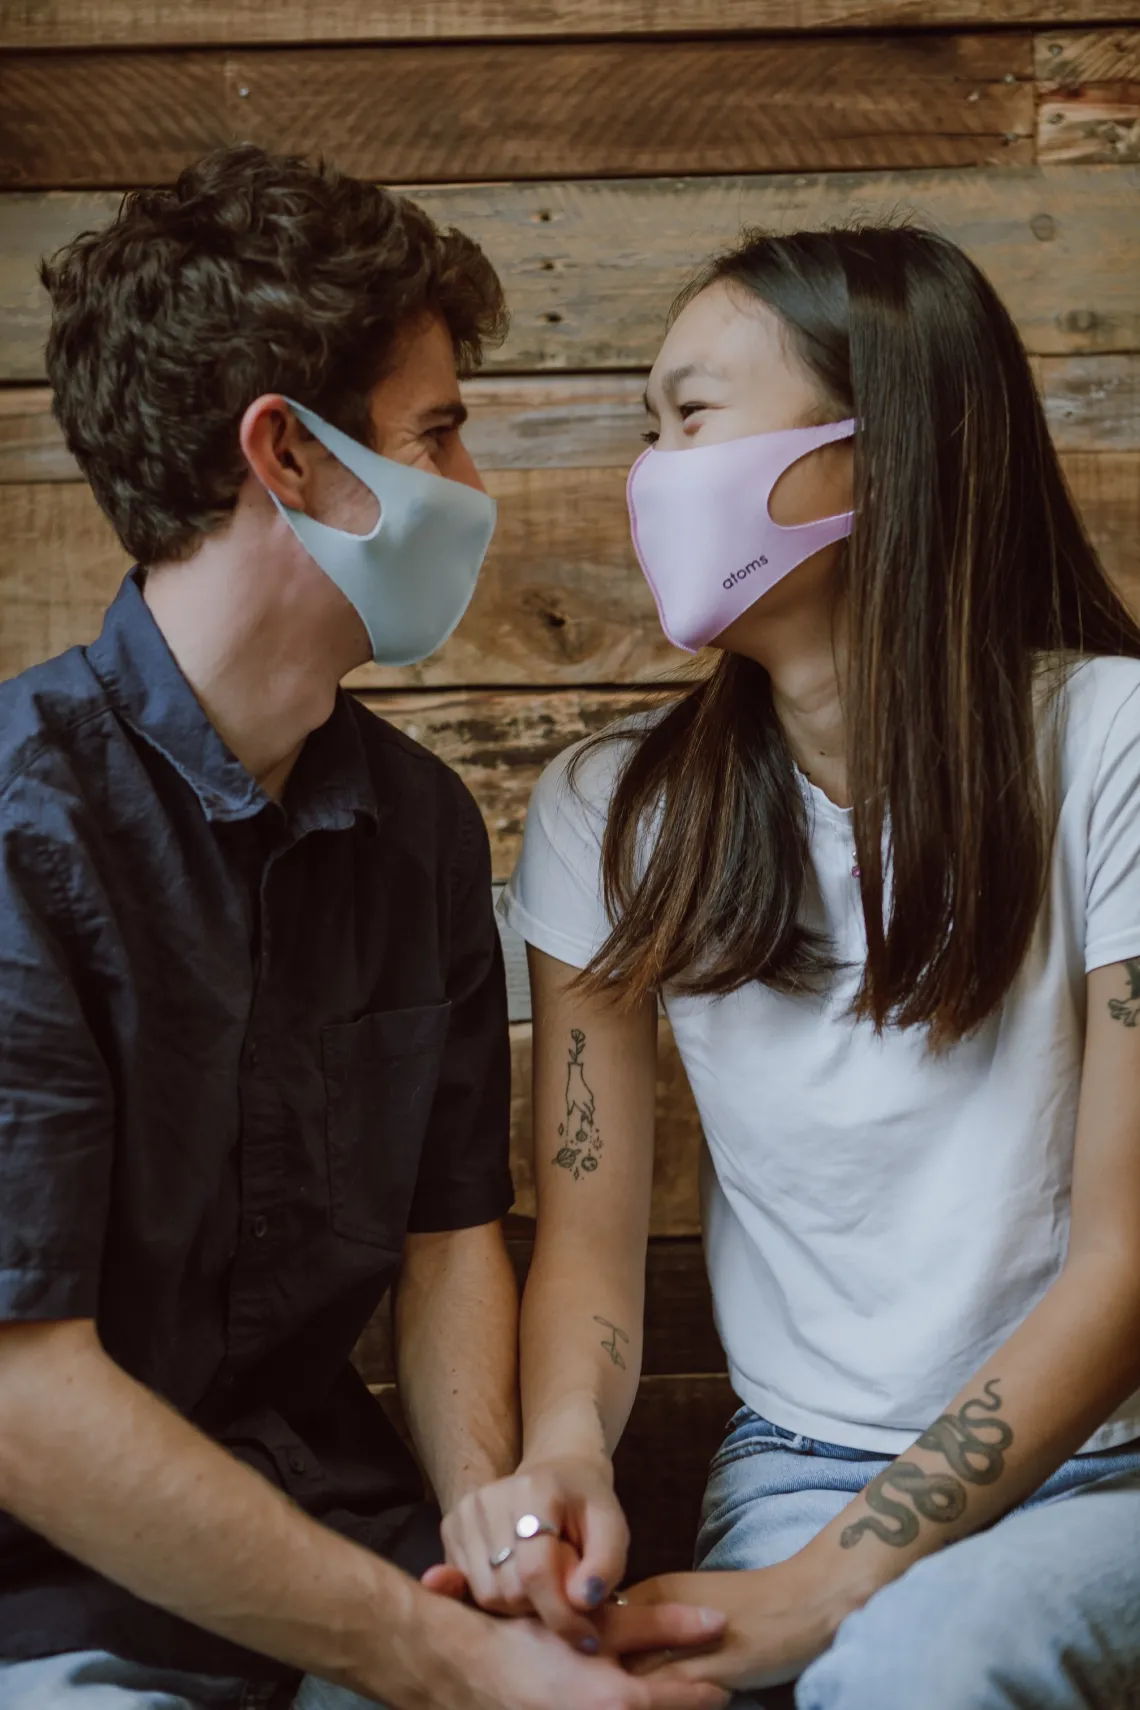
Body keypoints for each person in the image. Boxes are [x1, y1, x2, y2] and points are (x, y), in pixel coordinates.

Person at [0, 145, 729, 1710]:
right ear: (288, 454)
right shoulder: (19, 832)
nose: (473, 489)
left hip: (352, 1531)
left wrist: (494, 1539)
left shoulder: (419, 827)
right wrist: (445, 1657)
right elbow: (22, 1391)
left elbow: (446, 1234)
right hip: (54, 1603)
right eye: (439, 432)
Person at [479, 224, 1140, 1707]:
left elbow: (1127, 1261)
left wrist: (827, 1589)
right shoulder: (610, 811)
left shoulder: (1117, 749)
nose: (651, 471)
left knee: (929, 1657)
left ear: (882, 449)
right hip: (797, 1468)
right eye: (646, 428)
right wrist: (566, 1461)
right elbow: (586, 1243)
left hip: (1114, 1472)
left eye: (693, 417)